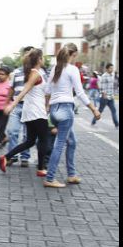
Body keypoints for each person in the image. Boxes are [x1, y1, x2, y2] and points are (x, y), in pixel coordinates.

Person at [42, 43, 101, 188]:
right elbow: (80, 92)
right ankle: (50, 178)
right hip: (66, 109)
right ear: (73, 55)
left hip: (54, 110)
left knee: (72, 141)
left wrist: (47, 107)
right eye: (76, 55)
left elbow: (47, 90)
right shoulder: (72, 69)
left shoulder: (55, 69)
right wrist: (94, 109)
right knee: (59, 145)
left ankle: (72, 174)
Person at [0, 49, 51, 177]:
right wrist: (12, 105)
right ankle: (41, 168)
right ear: (39, 59)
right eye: (42, 58)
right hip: (36, 111)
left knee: (30, 141)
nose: (43, 60)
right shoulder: (35, 73)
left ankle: (5, 157)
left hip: (32, 111)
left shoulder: (36, 73)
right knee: (44, 138)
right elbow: (24, 91)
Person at [7, 46, 35, 168]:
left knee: (26, 135)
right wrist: (8, 103)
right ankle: (12, 156)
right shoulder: (16, 72)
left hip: (30, 108)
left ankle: (25, 157)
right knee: (12, 131)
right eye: (28, 54)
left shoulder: (37, 73)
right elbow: (12, 89)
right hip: (17, 106)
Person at [92, 63, 118, 128]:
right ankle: (93, 121)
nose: (112, 69)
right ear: (107, 69)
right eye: (110, 68)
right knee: (100, 110)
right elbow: (102, 86)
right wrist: (104, 94)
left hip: (111, 97)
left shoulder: (112, 75)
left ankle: (116, 124)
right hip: (105, 97)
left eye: (112, 68)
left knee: (114, 110)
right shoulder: (104, 76)